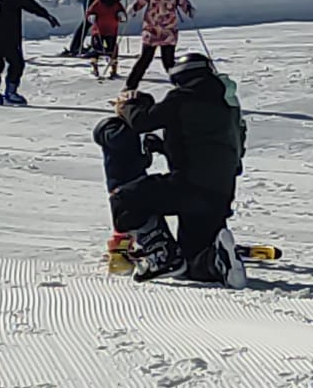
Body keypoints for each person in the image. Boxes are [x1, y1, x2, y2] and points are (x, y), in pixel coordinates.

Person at [94, 53, 246, 285]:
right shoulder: (229, 106)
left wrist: (130, 103)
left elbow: (142, 121)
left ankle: (161, 254)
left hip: (189, 186)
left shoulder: (184, 97)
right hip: (220, 194)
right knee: (192, 264)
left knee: (125, 199)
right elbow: (210, 146)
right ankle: (214, 259)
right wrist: (165, 147)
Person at [124, 0, 194, 90]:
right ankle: (130, 87)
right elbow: (139, 2)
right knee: (144, 60)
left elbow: (185, 4)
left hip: (168, 33)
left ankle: (181, 86)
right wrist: (132, 10)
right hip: (151, 31)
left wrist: (189, 10)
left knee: (169, 62)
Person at [84, 0, 129, 80]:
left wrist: (121, 16)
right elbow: (89, 12)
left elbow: (122, 13)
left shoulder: (116, 3)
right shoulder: (98, 2)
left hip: (112, 31)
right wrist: (91, 17)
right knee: (96, 48)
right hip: (98, 31)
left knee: (112, 49)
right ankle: (94, 66)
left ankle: (113, 68)